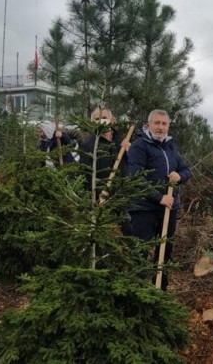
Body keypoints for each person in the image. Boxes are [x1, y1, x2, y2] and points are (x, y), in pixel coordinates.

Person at [124, 109, 191, 291]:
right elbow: (135, 177)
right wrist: (158, 197)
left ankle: (160, 290)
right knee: (140, 250)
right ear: (149, 125)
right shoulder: (139, 146)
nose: (160, 128)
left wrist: (179, 176)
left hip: (169, 209)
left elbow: (186, 170)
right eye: (157, 123)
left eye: (164, 124)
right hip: (144, 209)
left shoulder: (170, 147)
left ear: (168, 126)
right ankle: (137, 291)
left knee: (165, 251)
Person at [78, 107, 132, 235]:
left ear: (112, 120)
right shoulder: (88, 146)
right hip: (101, 196)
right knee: (102, 232)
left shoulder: (123, 141)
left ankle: (136, 253)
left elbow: (134, 166)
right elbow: (85, 175)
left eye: (104, 118)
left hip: (122, 194)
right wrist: (96, 195)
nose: (101, 121)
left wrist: (131, 151)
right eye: (97, 119)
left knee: (129, 229)